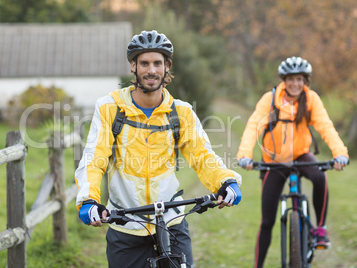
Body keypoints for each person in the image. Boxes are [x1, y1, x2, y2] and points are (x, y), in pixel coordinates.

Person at [75, 30, 242, 268]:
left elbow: (202, 155)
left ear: (167, 67)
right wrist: (89, 200)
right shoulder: (109, 108)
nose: (151, 70)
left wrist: (225, 181)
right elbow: (95, 158)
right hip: (125, 225)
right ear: (133, 66)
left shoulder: (180, 112)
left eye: (157, 63)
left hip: (171, 221)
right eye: (144, 63)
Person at [236, 56, 349, 268]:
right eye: (290, 79)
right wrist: (245, 154)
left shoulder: (311, 99)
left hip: (301, 154)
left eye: (299, 79)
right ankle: (257, 266)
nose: (295, 84)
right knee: (267, 221)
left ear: (305, 81)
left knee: (319, 175)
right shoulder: (270, 99)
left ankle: (320, 229)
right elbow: (254, 126)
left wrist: (339, 152)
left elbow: (325, 126)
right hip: (275, 160)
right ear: (283, 80)